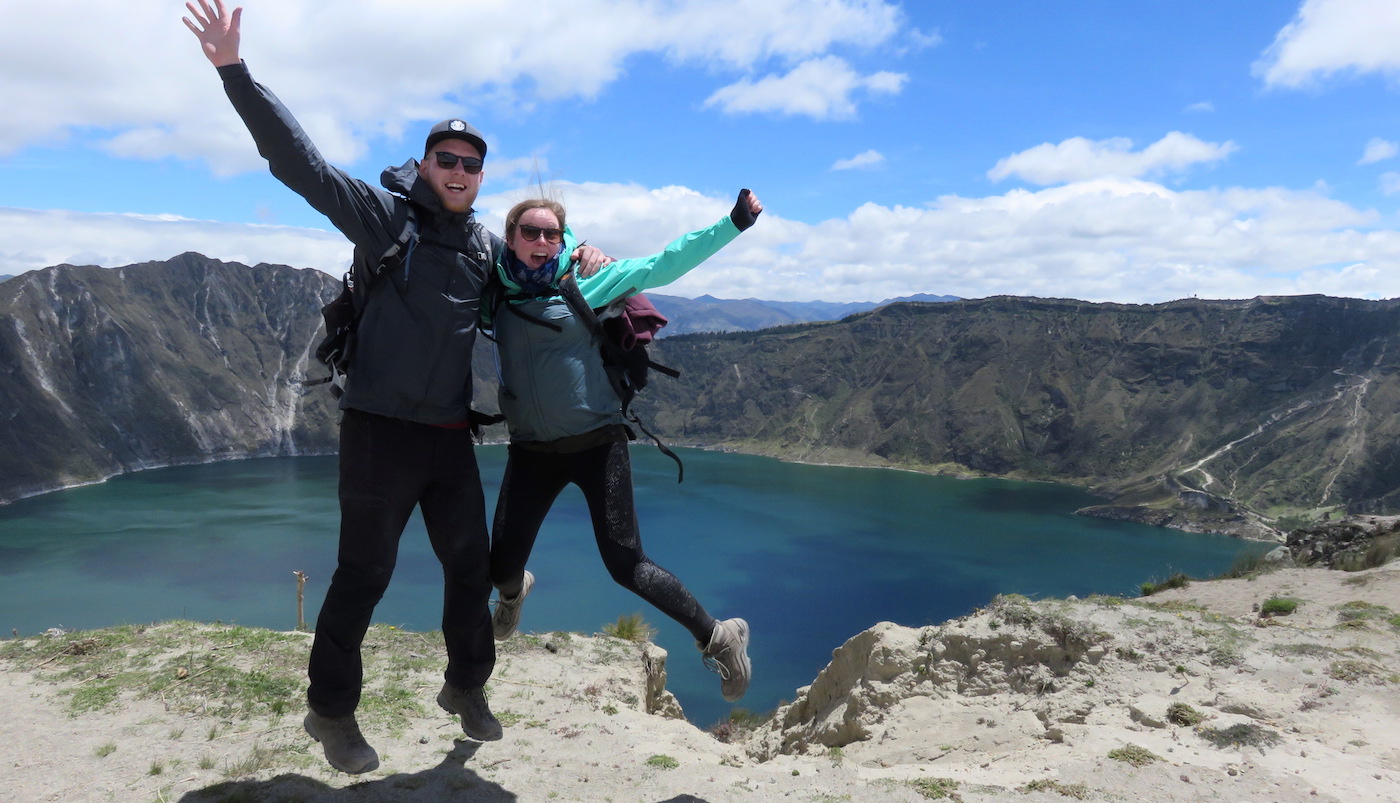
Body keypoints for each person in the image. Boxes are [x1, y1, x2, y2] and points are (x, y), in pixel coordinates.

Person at [183, 1, 608, 774]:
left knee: (469, 568)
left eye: (470, 164)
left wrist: (581, 255)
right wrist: (235, 74)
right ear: (423, 166)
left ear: (481, 179)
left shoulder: (484, 247)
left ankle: (467, 687)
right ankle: (332, 711)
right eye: (445, 159)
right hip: (377, 432)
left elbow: (536, 269)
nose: (456, 171)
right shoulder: (385, 220)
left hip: (447, 437)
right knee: (364, 575)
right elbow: (299, 165)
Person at [485, 189, 762, 702]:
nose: (541, 241)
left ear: (563, 238)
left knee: (626, 564)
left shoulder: (588, 279)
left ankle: (720, 637)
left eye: (552, 233)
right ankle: (513, 590)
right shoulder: (493, 291)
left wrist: (732, 223)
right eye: (530, 232)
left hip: (597, 443)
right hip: (530, 450)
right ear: (510, 238)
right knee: (499, 566)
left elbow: (664, 263)